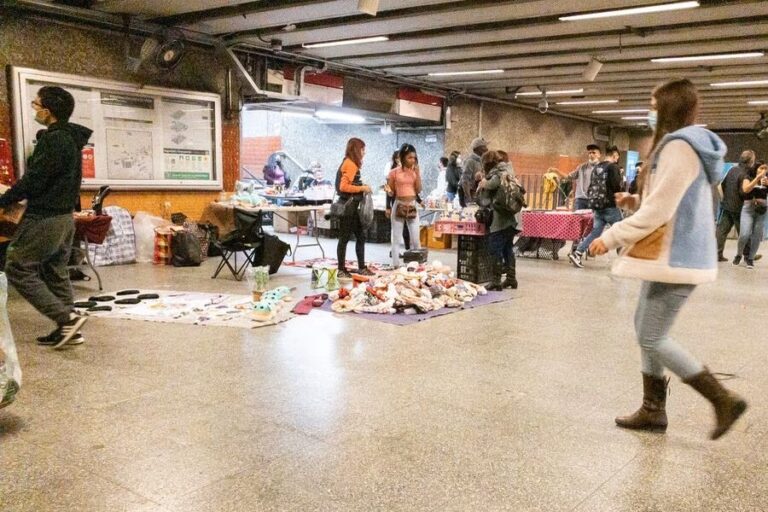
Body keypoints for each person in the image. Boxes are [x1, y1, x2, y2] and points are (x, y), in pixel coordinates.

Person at [589, 78, 747, 440]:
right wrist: (634, 203)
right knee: (646, 330)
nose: (650, 111)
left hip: (677, 257)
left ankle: (723, 400)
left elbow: (660, 209)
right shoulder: (684, 146)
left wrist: (609, 237)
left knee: (652, 337)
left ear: (669, 108)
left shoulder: (680, 147)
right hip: (670, 255)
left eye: (654, 104)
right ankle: (652, 409)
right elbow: (671, 202)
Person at [0, 86, 92, 348]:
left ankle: (66, 318)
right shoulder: (71, 138)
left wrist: (5, 199)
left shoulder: (55, 140)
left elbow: (35, 179)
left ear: (47, 111)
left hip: (46, 218)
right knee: (54, 271)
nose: (34, 109)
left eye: (36, 104)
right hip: (64, 218)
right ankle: (69, 330)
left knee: (17, 267)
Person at [568, 146, 624, 269]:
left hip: (597, 206)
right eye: (617, 157)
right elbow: (616, 187)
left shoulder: (597, 168)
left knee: (595, 232)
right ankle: (624, 259)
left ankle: (577, 253)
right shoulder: (613, 167)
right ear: (615, 156)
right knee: (621, 230)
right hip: (610, 206)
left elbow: (590, 187)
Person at [477, 150, 519, 290]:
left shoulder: (496, 175)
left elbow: (484, 197)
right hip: (512, 219)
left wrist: (482, 182)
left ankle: (496, 280)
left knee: (495, 249)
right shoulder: (509, 172)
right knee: (508, 249)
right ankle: (511, 279)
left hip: (499, 220)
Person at [335, 138, 374, 280]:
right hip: (348, 208)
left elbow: (348, 184)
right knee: (344, 238)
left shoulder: (349, 163)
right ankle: (341, 269)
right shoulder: (350, 164)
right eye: (363, 149)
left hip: (351, 207)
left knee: (360, 236)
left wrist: (361, 186)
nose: (364, 152)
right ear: (356, 150)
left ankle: (361, 267)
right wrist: (362, 187)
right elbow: (343, 187)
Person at [388, 143, 422, 268]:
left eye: (414, 157)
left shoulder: (415, 171)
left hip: (412, 205)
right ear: (402, 157)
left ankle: (416, 266)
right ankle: (396, 265)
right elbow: (390, 191)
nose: (412, 160)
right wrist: (388, 193)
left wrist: (417, 174)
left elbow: (418, 189)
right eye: (409, 157)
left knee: (415, 239)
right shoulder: (393, 172)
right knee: (396, 238)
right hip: (399, 205)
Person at [734, 161, 768, 269]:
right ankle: (739, 254)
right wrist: (757, 178)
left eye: (765, 169)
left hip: (762, 210)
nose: (764, 171)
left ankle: (750, 258)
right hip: (748, 209)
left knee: (757, 236)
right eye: (761, 168)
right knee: (744, 234)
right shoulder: (748, 177)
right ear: (756, 168)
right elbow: (746, 189)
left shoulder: (766, 179)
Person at [560, 144, 602, 210]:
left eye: (594, 152)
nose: (591, 154)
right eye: (589, 153)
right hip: (581, 199)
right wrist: (556, 171)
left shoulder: (602, 168)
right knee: (579, 219)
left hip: (595, 199)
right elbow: (569, 176)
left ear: (599, 155)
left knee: (593, 219)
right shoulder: (581, 167)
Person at [459, 137, 489, 205]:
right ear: (477, 149)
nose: (487, 149)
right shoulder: (470, 161)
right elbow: (465, 180)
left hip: (476, 193)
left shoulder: (480, 161)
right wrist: (469, 198)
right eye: (484, 147)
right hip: (470, 194)